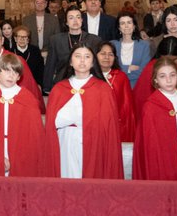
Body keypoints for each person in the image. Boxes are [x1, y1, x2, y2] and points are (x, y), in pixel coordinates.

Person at [43, 45, 123, 179]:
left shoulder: (103, 89)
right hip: (65, 141)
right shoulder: (59, 89)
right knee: (67, 179)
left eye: (87, 57)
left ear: (92, 62)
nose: (82, 60)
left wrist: (74, 115)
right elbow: (53, 122)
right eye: (77, 56)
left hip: (94, 143)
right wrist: (79, 115)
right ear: (70, 61)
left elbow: (106, 124)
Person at [42, 9, 103, 93]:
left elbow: (97, 65)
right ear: (66, 22)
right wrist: (47, 88)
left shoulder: (94, 40)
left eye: (78, 17)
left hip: (87, 83)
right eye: (71, 18)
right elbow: (50, 65)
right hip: (62, 82)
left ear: (82, 20)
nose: (75, 20)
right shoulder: (56, 40)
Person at [96, 42, 135, 142]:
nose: (107, 57)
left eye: (110, 54)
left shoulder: (121, 77)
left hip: (116, 125)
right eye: (103, 53)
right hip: (94, 125)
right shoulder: (89, 77)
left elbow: (127, 107)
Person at [110, 12, 152, 81]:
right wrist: (128, 68)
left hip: (137, 84)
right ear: (119, 28)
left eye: (129, 22)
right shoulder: (112, 45)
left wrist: (121, 70)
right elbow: (110, 68)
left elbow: (144, 70)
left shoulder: (144, 45)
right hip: (117, 83)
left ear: (134, 26)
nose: (126, 26)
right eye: (122, 23)